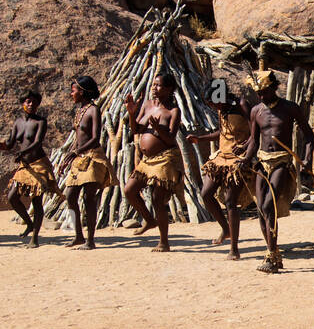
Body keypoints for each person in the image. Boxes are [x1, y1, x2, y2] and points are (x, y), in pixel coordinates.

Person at [243, 69, 314, 273]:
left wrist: (306, 159)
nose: (261, 96)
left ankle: (272, 256)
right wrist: (246, 159)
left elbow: (309, 135)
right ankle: (273, 254)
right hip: (262, 162)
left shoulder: (290, 108)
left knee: (268, 205)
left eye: (265, 91)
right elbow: (254, 141)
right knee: (261, 210)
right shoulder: (256, 111)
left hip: (282, 162)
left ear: (275, 88)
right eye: (259, 93)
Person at [188, 85, 254, 261]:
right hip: (220, 157)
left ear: (222, 97)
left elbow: (256, 131)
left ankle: (234, 248)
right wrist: (200, 138)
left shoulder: (241, 105)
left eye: (214, 103)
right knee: (206, 194)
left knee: (230, 202)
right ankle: (225, 228)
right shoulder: (222, 109)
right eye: (210, 105)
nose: (213, 108)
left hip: (237, 160)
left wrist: (245, 148)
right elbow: (222, 133)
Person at [123, 72, 184, 252]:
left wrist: (158, 129)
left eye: (159, 86)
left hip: (166, 158)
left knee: (158, 199)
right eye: (153, 85)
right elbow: (136, 130)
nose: (154, 89)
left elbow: (171, 139)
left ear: (169, 89)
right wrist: (132, 113)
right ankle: (149, 220)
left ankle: (164, 242)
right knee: (129, 190)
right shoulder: (147, 105)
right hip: (148, 160)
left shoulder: (173, 111)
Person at [60, 76, 115, 249]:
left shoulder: (93, 110)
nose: (71, 94)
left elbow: (95, 138)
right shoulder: (79, 111)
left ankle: (90, 240)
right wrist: (68, 156)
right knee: (70, 196)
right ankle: (78, 236)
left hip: (93, 157)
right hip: (80, 158)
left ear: (83, 92)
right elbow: (78, 139)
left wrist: (76, 152)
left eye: (74, 90)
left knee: (88, 197)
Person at [0, 91, 55, 248]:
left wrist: (22, 153)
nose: (31, 105)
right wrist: (5, 146)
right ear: (23, 103)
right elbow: (11, 142)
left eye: (34, 102)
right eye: (28, 102)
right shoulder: (18, 122)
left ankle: (34, 238)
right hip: (25, 166)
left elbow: (37, 142)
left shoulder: (40, 122)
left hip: (38, 164)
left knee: (37, 201)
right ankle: (29, 224)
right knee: (12, 197)